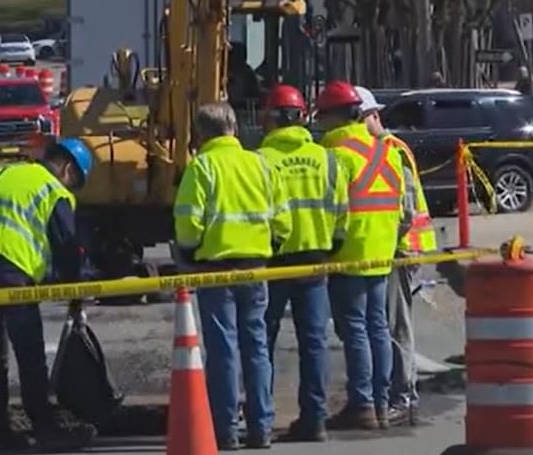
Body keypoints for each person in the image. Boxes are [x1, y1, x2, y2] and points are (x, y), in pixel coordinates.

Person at [0, 138, 98, 452]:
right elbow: (67, 247)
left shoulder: (7, 172)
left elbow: (7, 222)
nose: (72, 187)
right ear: (68, 169)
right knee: (29, 352)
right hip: (10, 274)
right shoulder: (55, 191)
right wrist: (77, 289)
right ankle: (45, 427)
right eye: (75, 181)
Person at [175, 102, 291, 450]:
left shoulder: (203, 167)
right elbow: (282, 219)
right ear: (235, 129)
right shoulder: (260, 164)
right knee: (256, 347)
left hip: (216, 271)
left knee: (223, 350)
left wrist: (189, 252)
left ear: (200, 134)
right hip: (256, 268)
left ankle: (225, 430)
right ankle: (262, 428)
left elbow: (188, 226)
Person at [314, 81, 411, 430]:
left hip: (350, 252)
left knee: (355, 330)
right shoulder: (387, 152)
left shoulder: (337, 154)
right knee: (378, 328)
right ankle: (381, 404)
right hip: (381, 252)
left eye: (321, 115)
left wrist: (328, 248)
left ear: (333, 116)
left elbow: (333, 210)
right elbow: (401, 210)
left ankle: (363, 404)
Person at [256, 85, 348, 442]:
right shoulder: (327, 159)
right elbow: (342, 213)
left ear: (273, 118)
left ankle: (260, 420)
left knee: (263, 339)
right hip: (316, 260)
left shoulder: (262, 159)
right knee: (314, 342)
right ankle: (315, 420)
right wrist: (331, 245)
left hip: (275, 261)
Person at [355, 85, 433, 426]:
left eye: (359, 119)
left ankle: (404, 397)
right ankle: (396, 394)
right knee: (386, 324)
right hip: (395, 248)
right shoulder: (380, 148)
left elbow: (404, 210)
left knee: (395, 326)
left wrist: (385, 243)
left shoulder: (390, 150)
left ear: (372, 116)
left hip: (399, 249)